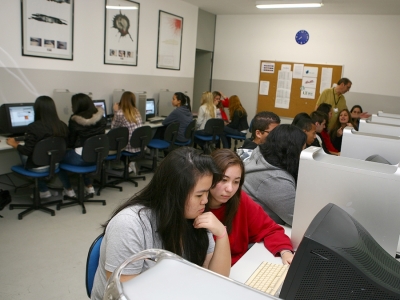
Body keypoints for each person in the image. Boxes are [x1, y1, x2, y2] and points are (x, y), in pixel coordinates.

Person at [91, 147, 230, 300]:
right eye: (199, 195)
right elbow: (124, 295)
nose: (205, 200)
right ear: (174, 194)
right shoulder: (129, 225)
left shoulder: (195, 216)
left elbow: (218, 280)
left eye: (207, 192)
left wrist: (222, 235)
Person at [208, 149, 294, 266]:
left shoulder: (240, 199)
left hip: (241, 266)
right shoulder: (196, 208)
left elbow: (269, 228)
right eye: (224, 180)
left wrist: (285, 252)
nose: (230, 189)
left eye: (236, 182)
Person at [242, 125, 307, 226]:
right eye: (303, 149)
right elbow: (298, 221)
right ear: (293, 152)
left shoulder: (261, 156)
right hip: (259, 233)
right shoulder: (276, 179)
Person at [6, 96, 68, 198]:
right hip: (55, 165)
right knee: (39, 154)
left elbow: (26, 151)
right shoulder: (62, 125)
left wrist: (14, 144)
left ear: (36, 109)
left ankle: (43, 190)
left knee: (23, 151)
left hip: (37, 168)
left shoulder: (33, 127)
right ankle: (44, 189)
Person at [58, 93, 107, 197]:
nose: (71, 107)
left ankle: (68, 189)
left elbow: (71, 142)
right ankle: (89, 186)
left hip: (81, 159)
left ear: (77, 106)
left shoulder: (74, 120)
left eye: (72, 105)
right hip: (97, 157)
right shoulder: (101, 118)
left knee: (57, 159)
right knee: (86, 153)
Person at [111, 91, 143, 174]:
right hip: (140, 144)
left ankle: (128, 164)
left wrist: (115, 111)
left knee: (114, 143)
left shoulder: (120, 113)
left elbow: (113, 128)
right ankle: (130, 164)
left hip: (130, 147)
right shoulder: (136, 111)